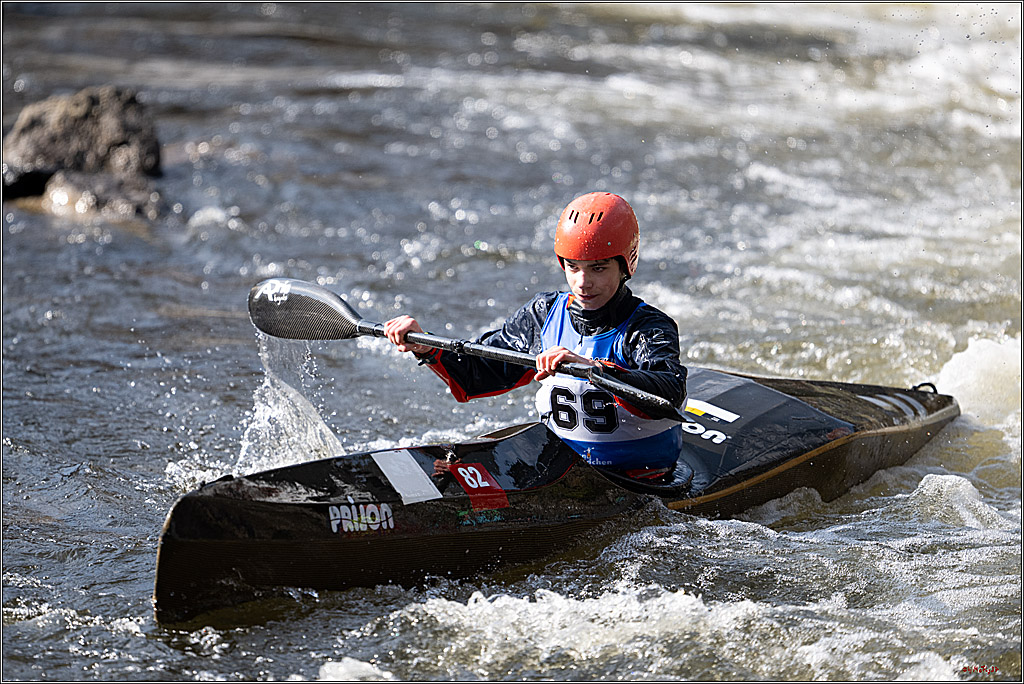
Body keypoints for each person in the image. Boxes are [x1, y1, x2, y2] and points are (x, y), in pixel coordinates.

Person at [384, 192, 687, 479]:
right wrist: (424, 345)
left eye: (598, 268)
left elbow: (668, 393)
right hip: (561, 470)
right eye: (573, 267)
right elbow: (479, 373)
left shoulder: (649, 328)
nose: (582, 283)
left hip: (640, 474)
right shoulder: (543, 315)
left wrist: (592, 369)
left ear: (625, 265)